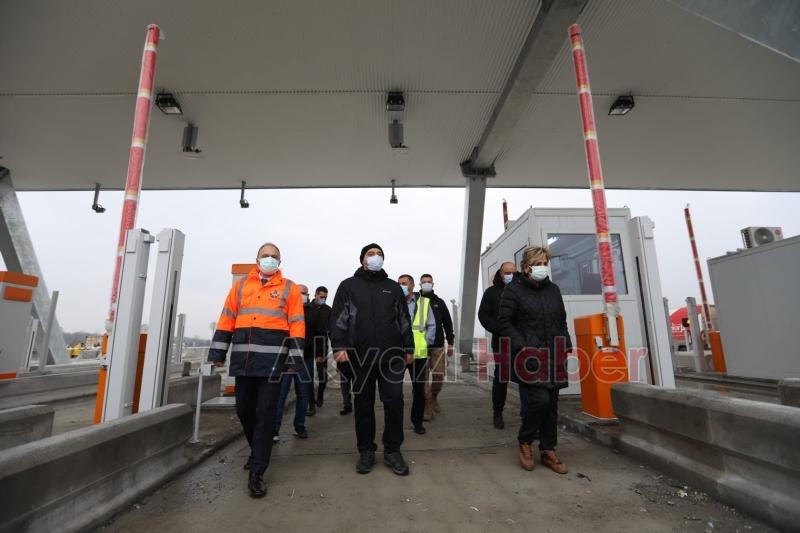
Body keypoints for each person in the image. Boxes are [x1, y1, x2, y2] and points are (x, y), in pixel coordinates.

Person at [208, 242, 305, 497]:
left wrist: (295, 359)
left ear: (280, 262)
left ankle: (258, 471)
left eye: (275, 257)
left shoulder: (289, 288)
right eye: (266, 256)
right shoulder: (240, 287)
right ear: (257, 259)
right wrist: (217, 352)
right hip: (244, 360)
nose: (270, 259)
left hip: (273, 363)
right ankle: (257, 451)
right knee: (243, 410)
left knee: (265, 414)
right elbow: (227, 317)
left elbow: (296, 324)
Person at [329, 243, 415, 476]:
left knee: (395, 402)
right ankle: (366, 451)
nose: (375, 257)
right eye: (371, 254)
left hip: (391, 356)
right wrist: (338, 347)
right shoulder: (348, 286)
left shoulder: (393, 288)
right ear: (362, 259)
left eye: (379, 254)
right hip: (360, 357)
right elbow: (338, 319)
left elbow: (404, 320)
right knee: (363, 405)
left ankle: (393, 451)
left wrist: (409, 347)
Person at [497, 246, 571, 474]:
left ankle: (548, 449)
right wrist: (522, 345)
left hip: (554, 354)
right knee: (540, 402)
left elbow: (562, 320)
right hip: (529, 356)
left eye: (545, 262)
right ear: (526, 267)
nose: (543, 267)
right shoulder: (513, 291)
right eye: (538, 263)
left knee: (552, 406)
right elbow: (504, 322)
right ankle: (525, 441)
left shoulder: (554, 290)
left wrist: (566, 343)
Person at [478, 261, 528, 430]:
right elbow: (483, 315)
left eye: (513, 273)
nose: (510, 276)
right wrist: (499, 329)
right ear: (500, 274)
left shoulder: (524, 290)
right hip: (502, 341)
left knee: (526, 377)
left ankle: (526, 414)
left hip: (523, 342)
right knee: (502, 377)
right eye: (507, 273)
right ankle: (497, 412)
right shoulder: (491, 293)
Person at [398, 274, 436, 435]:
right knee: (394, 392)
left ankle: (417, 422)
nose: (401, 286)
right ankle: (396, 423)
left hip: (418, 355)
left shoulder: (424, 303)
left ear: (412, 285)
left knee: (419, 391)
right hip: (397, 354)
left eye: (404, 284)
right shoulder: (394, 302)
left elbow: (432, 326)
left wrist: (425, 343)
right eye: (399, 284)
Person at [274, 284, 312, 439]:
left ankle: (300, 426)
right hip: (286, 359)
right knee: (280, 394)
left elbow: (318, 332)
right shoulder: (283, 309)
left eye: (304, 293)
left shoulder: (312, 312)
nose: (302, 295)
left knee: (303, 394)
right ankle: (274, 428)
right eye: (299, 292)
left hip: (305, 359)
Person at [418, 273, 454, 421]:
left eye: (429, 282)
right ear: (420, 285)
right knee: (423, 379)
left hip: (438, 346)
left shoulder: (439, 302)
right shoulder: (415, 301)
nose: (426, 284)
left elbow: (447, 323)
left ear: (433, 284)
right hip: (420, 347)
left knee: (439, 376)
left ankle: (433, 397)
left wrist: (450, 343)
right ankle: (427, 405)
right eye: (424, 282)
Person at [308, 286, 331, 413]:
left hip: (322, 346)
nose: (323, 299)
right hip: (308, 346)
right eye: (321, 297)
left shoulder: (328, 310)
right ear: (315, 295)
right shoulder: (307, 308)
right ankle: (311, 404)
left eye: (325, 297)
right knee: (308, 377)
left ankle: (320, 393)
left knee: (323, 376)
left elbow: (332, 328)